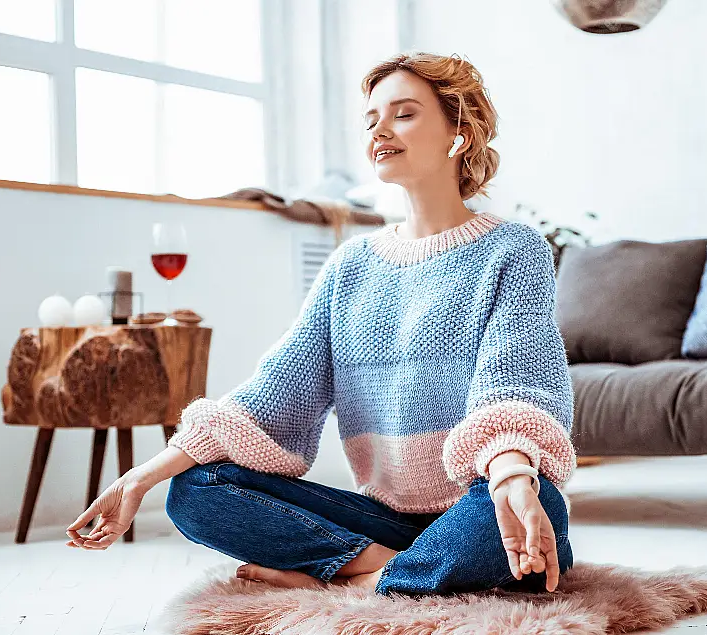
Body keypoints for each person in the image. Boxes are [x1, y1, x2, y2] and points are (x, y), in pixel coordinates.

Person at [66, 52, 577, 598]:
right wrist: (139, 478)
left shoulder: (513, 249)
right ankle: (398, 570)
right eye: (371, 119)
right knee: (194, 490)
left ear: (460, 130)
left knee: (535, 504)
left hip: (480, 503)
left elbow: (515, 381)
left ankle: (362, 577)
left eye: (403, 113)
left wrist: (511, 474)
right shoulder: (349, 267)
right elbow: (273, 394)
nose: (379, 129)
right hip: (380, 519)